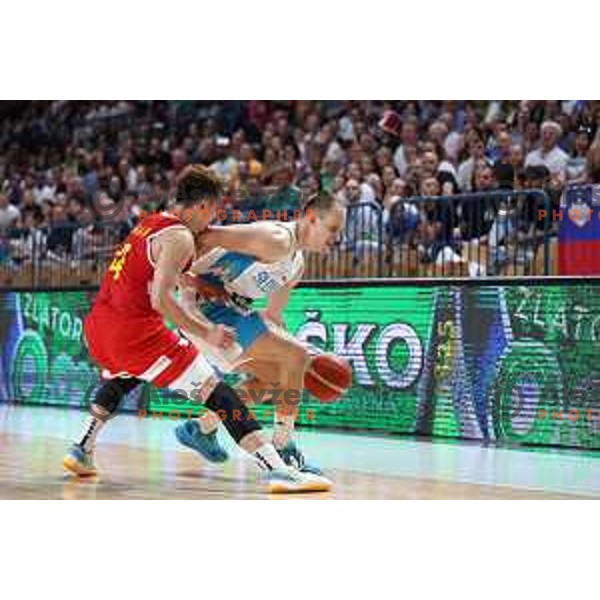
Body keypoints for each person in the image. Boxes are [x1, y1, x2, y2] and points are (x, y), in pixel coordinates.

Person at [63, 164, 331, 493]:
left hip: (100, 327)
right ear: (203, 205)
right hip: (137, 332)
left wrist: (195, 282)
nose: (211, 222)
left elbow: (161, 272)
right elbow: (161, 300)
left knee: (124, 377)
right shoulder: (181, 236)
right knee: (219, 395)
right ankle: (279, 470)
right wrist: (206, 332)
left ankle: (81, 448)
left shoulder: (151, 224)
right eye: (213, 212)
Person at [177, 192, 347, 473]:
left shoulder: (296, 264)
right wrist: (183, 281)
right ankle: (283, 448)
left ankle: (200, 428)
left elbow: (273, 316)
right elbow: (204, 236)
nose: (335, 238)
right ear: (312, 218)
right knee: (295, 357)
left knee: (275, 381)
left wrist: (293, 354)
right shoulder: (275, 238)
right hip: (205, 308)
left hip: (233, 311)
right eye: (332, 229)